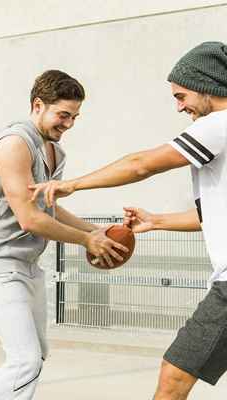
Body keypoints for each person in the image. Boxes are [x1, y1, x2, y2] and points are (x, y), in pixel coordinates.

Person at [29, 42, 227, 400]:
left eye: (181, 95)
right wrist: (157, 220)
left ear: (207, 85)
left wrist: (72, 184)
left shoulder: (218, 124)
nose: (179, 105)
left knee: (174, 377)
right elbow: (211, 215)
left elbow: (142, 164)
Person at [0, 70, 128, 400]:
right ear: (38, 105)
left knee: (36, 355)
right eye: (63, 115)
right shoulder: (13, 144)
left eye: (74, 117)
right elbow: (29, 218)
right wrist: (86, 240)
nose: (68, 124)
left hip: (28, 266)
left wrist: (96, 231)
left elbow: (47, 209)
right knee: (24, 360)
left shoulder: (56, 153)